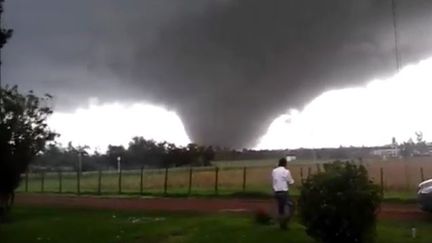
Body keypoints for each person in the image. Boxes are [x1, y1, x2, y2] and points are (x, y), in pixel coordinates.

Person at [272, 157, 295, 230]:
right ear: (285, 164)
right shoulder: (286, 171)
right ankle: (284, 224)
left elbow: (274, 181)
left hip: (276, 192)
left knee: (281, 208)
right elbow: (290, 181)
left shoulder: (274, 171)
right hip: (283, 192)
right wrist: (293, 182)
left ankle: (281, 224)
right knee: (291, 206)